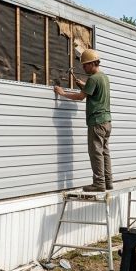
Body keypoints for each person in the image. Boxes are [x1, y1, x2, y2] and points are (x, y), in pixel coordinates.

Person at [53, 49, 113, 192]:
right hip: (107, 122)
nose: (83, 68)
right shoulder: (104, 77)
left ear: (93, 63)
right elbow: (94, 91)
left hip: (96, 122)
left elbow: (81, 97)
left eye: (85, 65)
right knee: (104, 152)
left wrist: (62, 93)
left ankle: (99, 183)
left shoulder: (93, 79)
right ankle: (108, 182)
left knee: (95, 152)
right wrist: (83, 84)